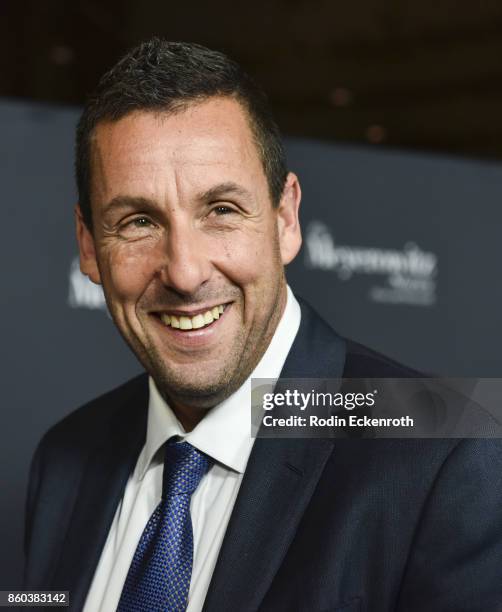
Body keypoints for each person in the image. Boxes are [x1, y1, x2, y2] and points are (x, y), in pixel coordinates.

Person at [23, 38, 502, 612]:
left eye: (221, 210)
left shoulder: (448, 451)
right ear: (88, 245)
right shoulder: (66, 455)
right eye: (139, 221)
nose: (184, 270)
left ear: (285, 219)